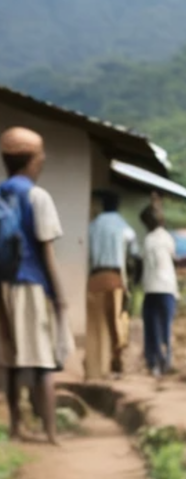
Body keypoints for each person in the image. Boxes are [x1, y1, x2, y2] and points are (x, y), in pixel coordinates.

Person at [0, 127, 68, 444]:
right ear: (31, 161)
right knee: (42, 362)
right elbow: (47, 252)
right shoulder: (38, 197)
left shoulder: (2, 194)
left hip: (3, 285)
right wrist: (60, 297)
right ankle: (51, 432)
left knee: (11, 360)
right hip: (30, 284)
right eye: (40, 157)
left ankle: (16, 427)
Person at [85, 190, 136, 380]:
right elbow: (134, 252)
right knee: (115, 322)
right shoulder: (123, 226)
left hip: (95, 277)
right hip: (115, 277)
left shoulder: (93, 225)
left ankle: (93, 369)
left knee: (94, 325)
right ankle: (115, 363)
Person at [139, 203, 178, 378]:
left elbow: (144, 262)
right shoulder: (168, 238)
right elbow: (172, 257)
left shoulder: (148, 240)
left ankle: (154, 361)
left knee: (152, 326)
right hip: (168, 288)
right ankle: (165, 360)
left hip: (152, 288)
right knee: (165, 326)